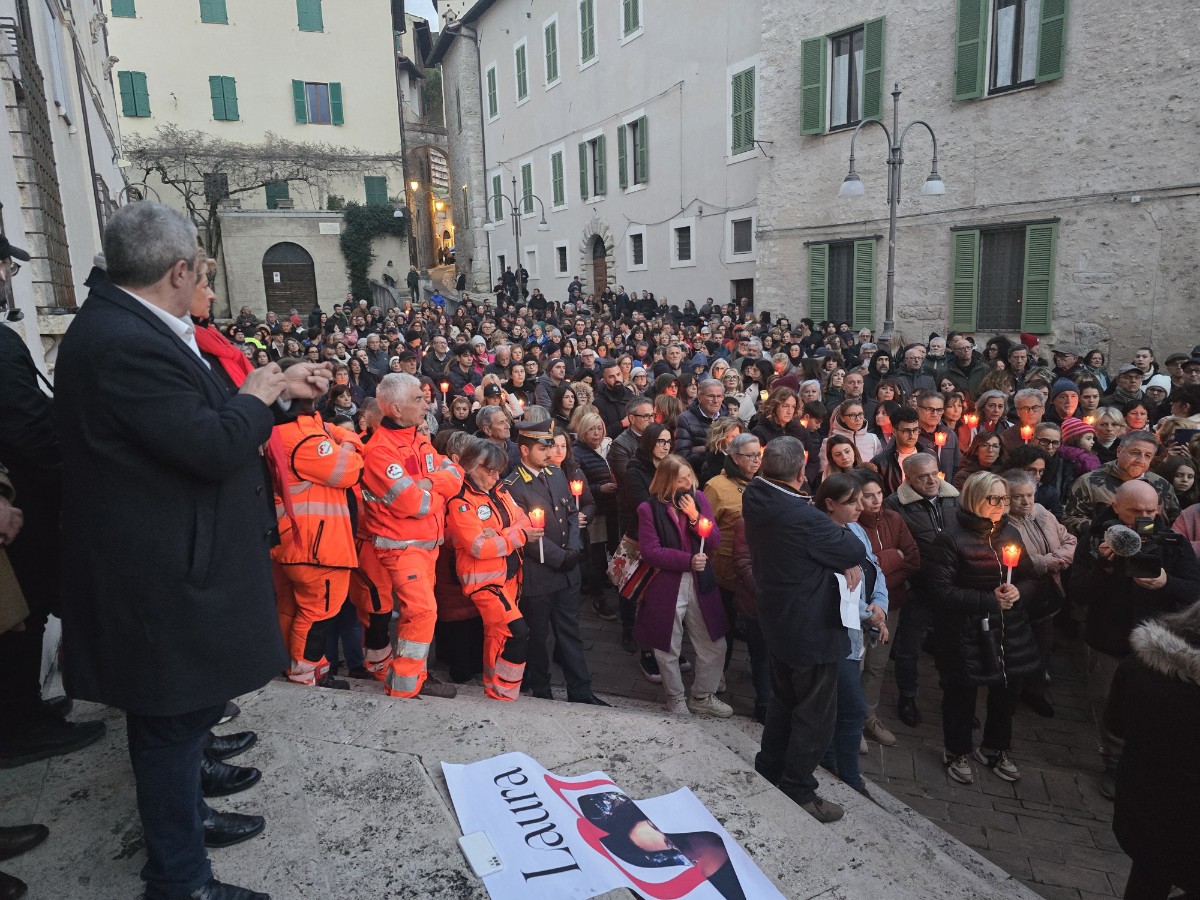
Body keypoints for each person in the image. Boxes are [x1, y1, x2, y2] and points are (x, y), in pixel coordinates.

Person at [56, 202, 334, 900]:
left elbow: (195, 413)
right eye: (203, 270)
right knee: (168, 724)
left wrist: (274, 390)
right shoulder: (125, 341)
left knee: (179, 717)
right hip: (159, 565)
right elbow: (210, 443)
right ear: (180, 271)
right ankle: (179, 880)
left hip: (172, 550)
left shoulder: (130, 325)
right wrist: (256, 393)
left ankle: (190, 812)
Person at [0, 240, 107, 770]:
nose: (7, 275)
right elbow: (25, 426)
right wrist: (70, 485)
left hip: (25, 496)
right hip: (24, 502)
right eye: (4, 265)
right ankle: (18, 727)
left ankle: (24, 711)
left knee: (31, 611)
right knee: (21, 615)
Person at [742, 437, 869, 823]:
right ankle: (799, 788)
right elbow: (853, 551)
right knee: (815, 715)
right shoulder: (803, 516)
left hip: (778, 619)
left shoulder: (756, 494)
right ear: (802, 470)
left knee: (784, 701)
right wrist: (838, 551)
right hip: (810, 627)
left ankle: (769, 767)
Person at [1069, 479, 1200, 799]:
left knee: (1155, 706)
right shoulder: (1095, 539)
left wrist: (1166, 582)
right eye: (1135, 511)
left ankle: (1146, 761)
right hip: (1107, 638)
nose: (1145, 518)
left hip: (1160, 645)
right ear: (1116, 507)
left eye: (1150, 511)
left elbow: (1194, 591)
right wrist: (1104, 566)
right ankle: (1113, 764)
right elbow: (1079, 593)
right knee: (1107, 701)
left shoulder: (1173, 543)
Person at [927, 472, 1041, 785]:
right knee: (961, 696)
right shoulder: (950, 539)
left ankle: (995, 747)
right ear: (974, 498)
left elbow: (1030, 578)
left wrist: (1018, 592)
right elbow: (940, 591)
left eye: (1005, 499)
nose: (1001, 505)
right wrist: (989, 600)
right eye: (994, 498)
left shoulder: (1011, 533)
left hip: (1009, 631)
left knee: (1006, 694)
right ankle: (956, 750)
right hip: (965, 633)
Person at [360, 372, 464, 699]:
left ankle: (415, 675)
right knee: (422, 612)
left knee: (417, 614)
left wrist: (430, 484)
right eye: (418, 399)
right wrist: (438, 491)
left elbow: (456, 473)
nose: (426, 404)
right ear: (396, 408)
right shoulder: (380, 451)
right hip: (401, 548)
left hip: (425, 546)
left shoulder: (419, 438)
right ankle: (404, 686)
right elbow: (415, 504)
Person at [270, 361, 365, 688]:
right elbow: (351, 470)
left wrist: (337, 435)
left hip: (296, 542)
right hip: (317, 546)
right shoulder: (300, 437)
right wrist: (349, 441)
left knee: (291, 608)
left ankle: (290, 666)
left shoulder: (290, 428)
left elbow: (327, 429)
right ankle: (304, 674)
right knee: (318, 613)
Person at [503, 410, 608, 705]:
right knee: (538, 637)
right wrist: (561, 557)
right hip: (540, 575)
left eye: (550, 447)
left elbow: (571, 513)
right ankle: (542, 691)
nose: (551, 453)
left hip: (566, 571)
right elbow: (524, 533)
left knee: (570, 633)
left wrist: (573, 551)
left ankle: (581, 692)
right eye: (543, 448)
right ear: (525, 450)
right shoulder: (513, 486)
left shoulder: (556, 473)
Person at [1105, 603, 1200, 900]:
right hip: (1190, 827)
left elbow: (1115, 725)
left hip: (1142, 805)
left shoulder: (1139, 664)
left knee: (1147, 876)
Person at [634, 455, 730, 716]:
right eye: (681, 480)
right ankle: (675, 696)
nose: (688, 484)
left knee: (714, 642)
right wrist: (687, 560)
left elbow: (714, 540)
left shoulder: (699, 499)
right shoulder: (648, 509)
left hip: (701, 582)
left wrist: (695, 517)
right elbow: (651, 551)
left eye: (690, 477)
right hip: (667, 584)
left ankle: (703, 695)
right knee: (667, 645)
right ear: (667, 482)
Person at [444, 438, 537, 701]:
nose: (496, 477)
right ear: (472, 466)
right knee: (516, 631)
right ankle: (504, 691)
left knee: (497, 635)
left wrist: (499, 534)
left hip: (509, 575)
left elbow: (524, 519)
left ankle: (495, 687)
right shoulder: (461, 501)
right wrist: (515, 537)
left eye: (498, 471)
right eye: (491, 471)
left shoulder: (500, 490)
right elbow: (478, 547)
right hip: (485, 581)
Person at [813, 473, 888, 797]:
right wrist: (868, 615)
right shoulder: (818, 536)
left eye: (862, 499)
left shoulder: (855, 529)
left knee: (841, 704)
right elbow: (831, 590)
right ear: (830, 504)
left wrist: (880, 605)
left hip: (856, 631)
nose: (861, 507)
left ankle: (831, 760)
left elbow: (875, 569)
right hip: (833, 633)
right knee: (852, 707)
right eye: (853, 502)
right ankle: (850, 777)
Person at [885, 453, 962, 728]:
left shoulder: (954, 497)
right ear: (908, 479)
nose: (931, 481)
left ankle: (953, 698)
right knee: (909, 648)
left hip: (952, 586)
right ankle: (907, 696)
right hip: (919, 588)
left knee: (953, 646)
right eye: (922, 477)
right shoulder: (895, 505)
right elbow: (896, 547)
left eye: (934, 474)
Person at [1004, 469, 1076, 718]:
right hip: (1020, 597)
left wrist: (1047, 562)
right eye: (1018, 497)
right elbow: (1020, 566)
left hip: (1048, 593)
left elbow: (1070, 541)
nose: (1026, 502)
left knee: (1042, 647)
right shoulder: (1002, 523)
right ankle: (1009, 694)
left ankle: (1034, 691)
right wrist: (1044, 564)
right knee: (1014, 650)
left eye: (1030, 495)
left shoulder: (1043, 513)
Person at [856, 470, 919, 749]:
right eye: (868, 496)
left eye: (879, 494)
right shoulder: (853, 524)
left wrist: (880, 574)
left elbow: (913, 560)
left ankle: (868, 715)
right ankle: (850, 720)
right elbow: (860, 568)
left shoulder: (894, 519)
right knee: (856, 664)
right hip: (859, 608)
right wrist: (893, 557)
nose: (876, 500)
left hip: (889, 605)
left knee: (877, 666)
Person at [1063, 430, 1181, 537]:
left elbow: (1177, 523)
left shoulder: (1161, 485)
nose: (1140, 460)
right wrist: (1105, 529)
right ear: (1119, 451)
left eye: (1147, 456)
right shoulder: (1089, 482)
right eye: (1135, 453)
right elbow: (1070, 520)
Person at [674, 378, 726, 470]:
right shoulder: (685, 419)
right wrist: (713, 452)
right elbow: (683, 456)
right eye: (711, 396)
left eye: (719, 396)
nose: (716, 400)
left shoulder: (727, 417)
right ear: (699, 397)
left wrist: (701, 449)